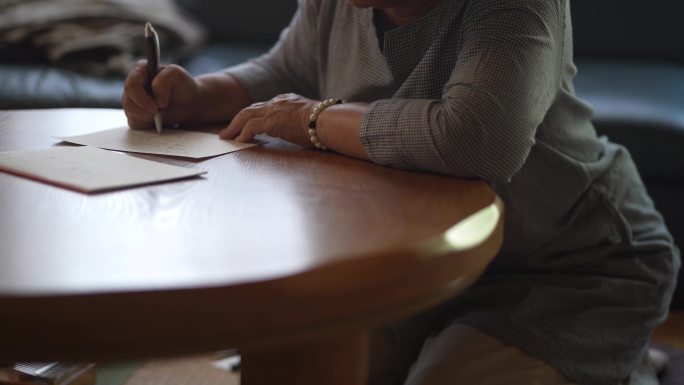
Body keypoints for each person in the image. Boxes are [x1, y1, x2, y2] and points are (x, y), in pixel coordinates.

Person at [121, 0, 681, 384]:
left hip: (570, 267)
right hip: (420, 271)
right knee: (296, 363)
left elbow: (472, 139)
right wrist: (199, 95)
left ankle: (626, 363)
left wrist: (312, 119)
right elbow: (289, 66)